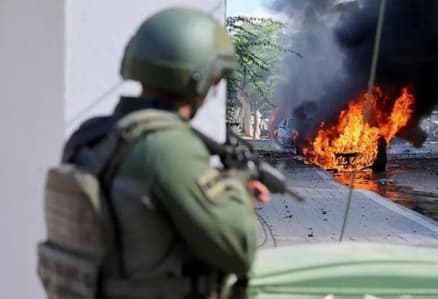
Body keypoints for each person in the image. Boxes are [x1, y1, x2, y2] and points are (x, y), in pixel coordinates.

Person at [39, 7, 269, 299]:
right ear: (199, 77)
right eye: (215, 79)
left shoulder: (91, 135)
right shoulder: (169, 148)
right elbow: (239, 250)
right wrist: (237, 187)